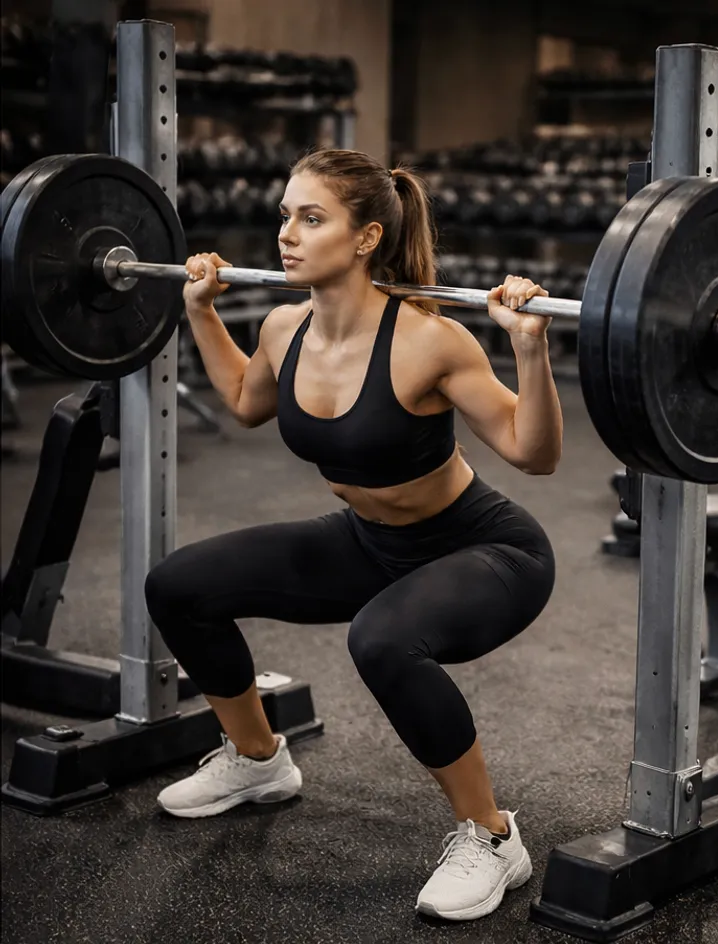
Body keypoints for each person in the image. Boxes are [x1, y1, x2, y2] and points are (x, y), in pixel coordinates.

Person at [145, 148, 560, 922]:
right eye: (284, 217)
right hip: (369, 543)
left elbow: (534, 454)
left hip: (483, 549)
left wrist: (529, 348)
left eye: (311, 218)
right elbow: (242, 400)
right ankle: (258, 761)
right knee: (178, 585)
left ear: (366, 238)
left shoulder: (429, 341)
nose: (286, 236)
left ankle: (492, 835)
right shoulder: (281, 327)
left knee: (381, 640)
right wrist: (200, 310)